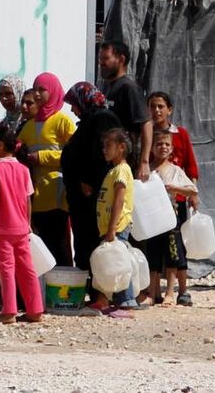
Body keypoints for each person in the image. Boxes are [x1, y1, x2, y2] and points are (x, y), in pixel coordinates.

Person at [61, 82, 122, 298]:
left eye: (73, 104)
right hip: (82, 198)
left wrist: (90, 181)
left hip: (94, 197)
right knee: (85, 244)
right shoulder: (88, 121)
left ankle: (101, 294)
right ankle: (92, 292)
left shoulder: (102, 119)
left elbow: (103, 155)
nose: (72, 109)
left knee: (94, 243)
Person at [0, 124, 44, 324]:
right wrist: (28, 224)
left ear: (0, 145)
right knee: (27, 268)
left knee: (6, 269)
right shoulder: (24, 169)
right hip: (21, 227)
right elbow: (28, 200)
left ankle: (9, 310)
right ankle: (35, 310)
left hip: (3, 227)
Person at [18, 72, 76, 266]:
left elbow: (73, 153)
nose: (37, 94)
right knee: (44, 246)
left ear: (52, 91)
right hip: (37, 193)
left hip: (58, 193)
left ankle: (66, 290)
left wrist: (41, 157)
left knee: (60, 244)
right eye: (35, 89)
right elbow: (18, 147)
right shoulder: (29, 125)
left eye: (41, 89)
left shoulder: (62, 120)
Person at [146, 130, 198, 307]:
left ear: (172, 149)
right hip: (151, 221)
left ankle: (170, 292)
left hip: (170, 220)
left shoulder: (175, 171)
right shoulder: (147, 170)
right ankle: (152, 293)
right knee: (152, 255)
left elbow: (193, 190)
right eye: (159, 144)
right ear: (152, 147)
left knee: (172, 255)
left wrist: (175, 188)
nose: (163, 147)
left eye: (167, 144)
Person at [90, 128, 138, 312]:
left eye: (108, 146)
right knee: (108, 262)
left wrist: (112, 229)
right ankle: (104, 299)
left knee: (118, 263)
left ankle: (126, 303)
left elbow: (119, 199)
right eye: (103, 146)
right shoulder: (114, 171)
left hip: (117, 226)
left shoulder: (121, 171)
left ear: (121, 147)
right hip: (110, 227)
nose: (104, 150)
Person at [98, 40, 152, 180]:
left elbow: (146, 123)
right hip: (107, 160)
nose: (101, 63)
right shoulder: (106, 87)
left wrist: (144, 162)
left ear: (121, 59)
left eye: (106, 58)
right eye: (100, 59)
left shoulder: (129, 88)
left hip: (124, 160)